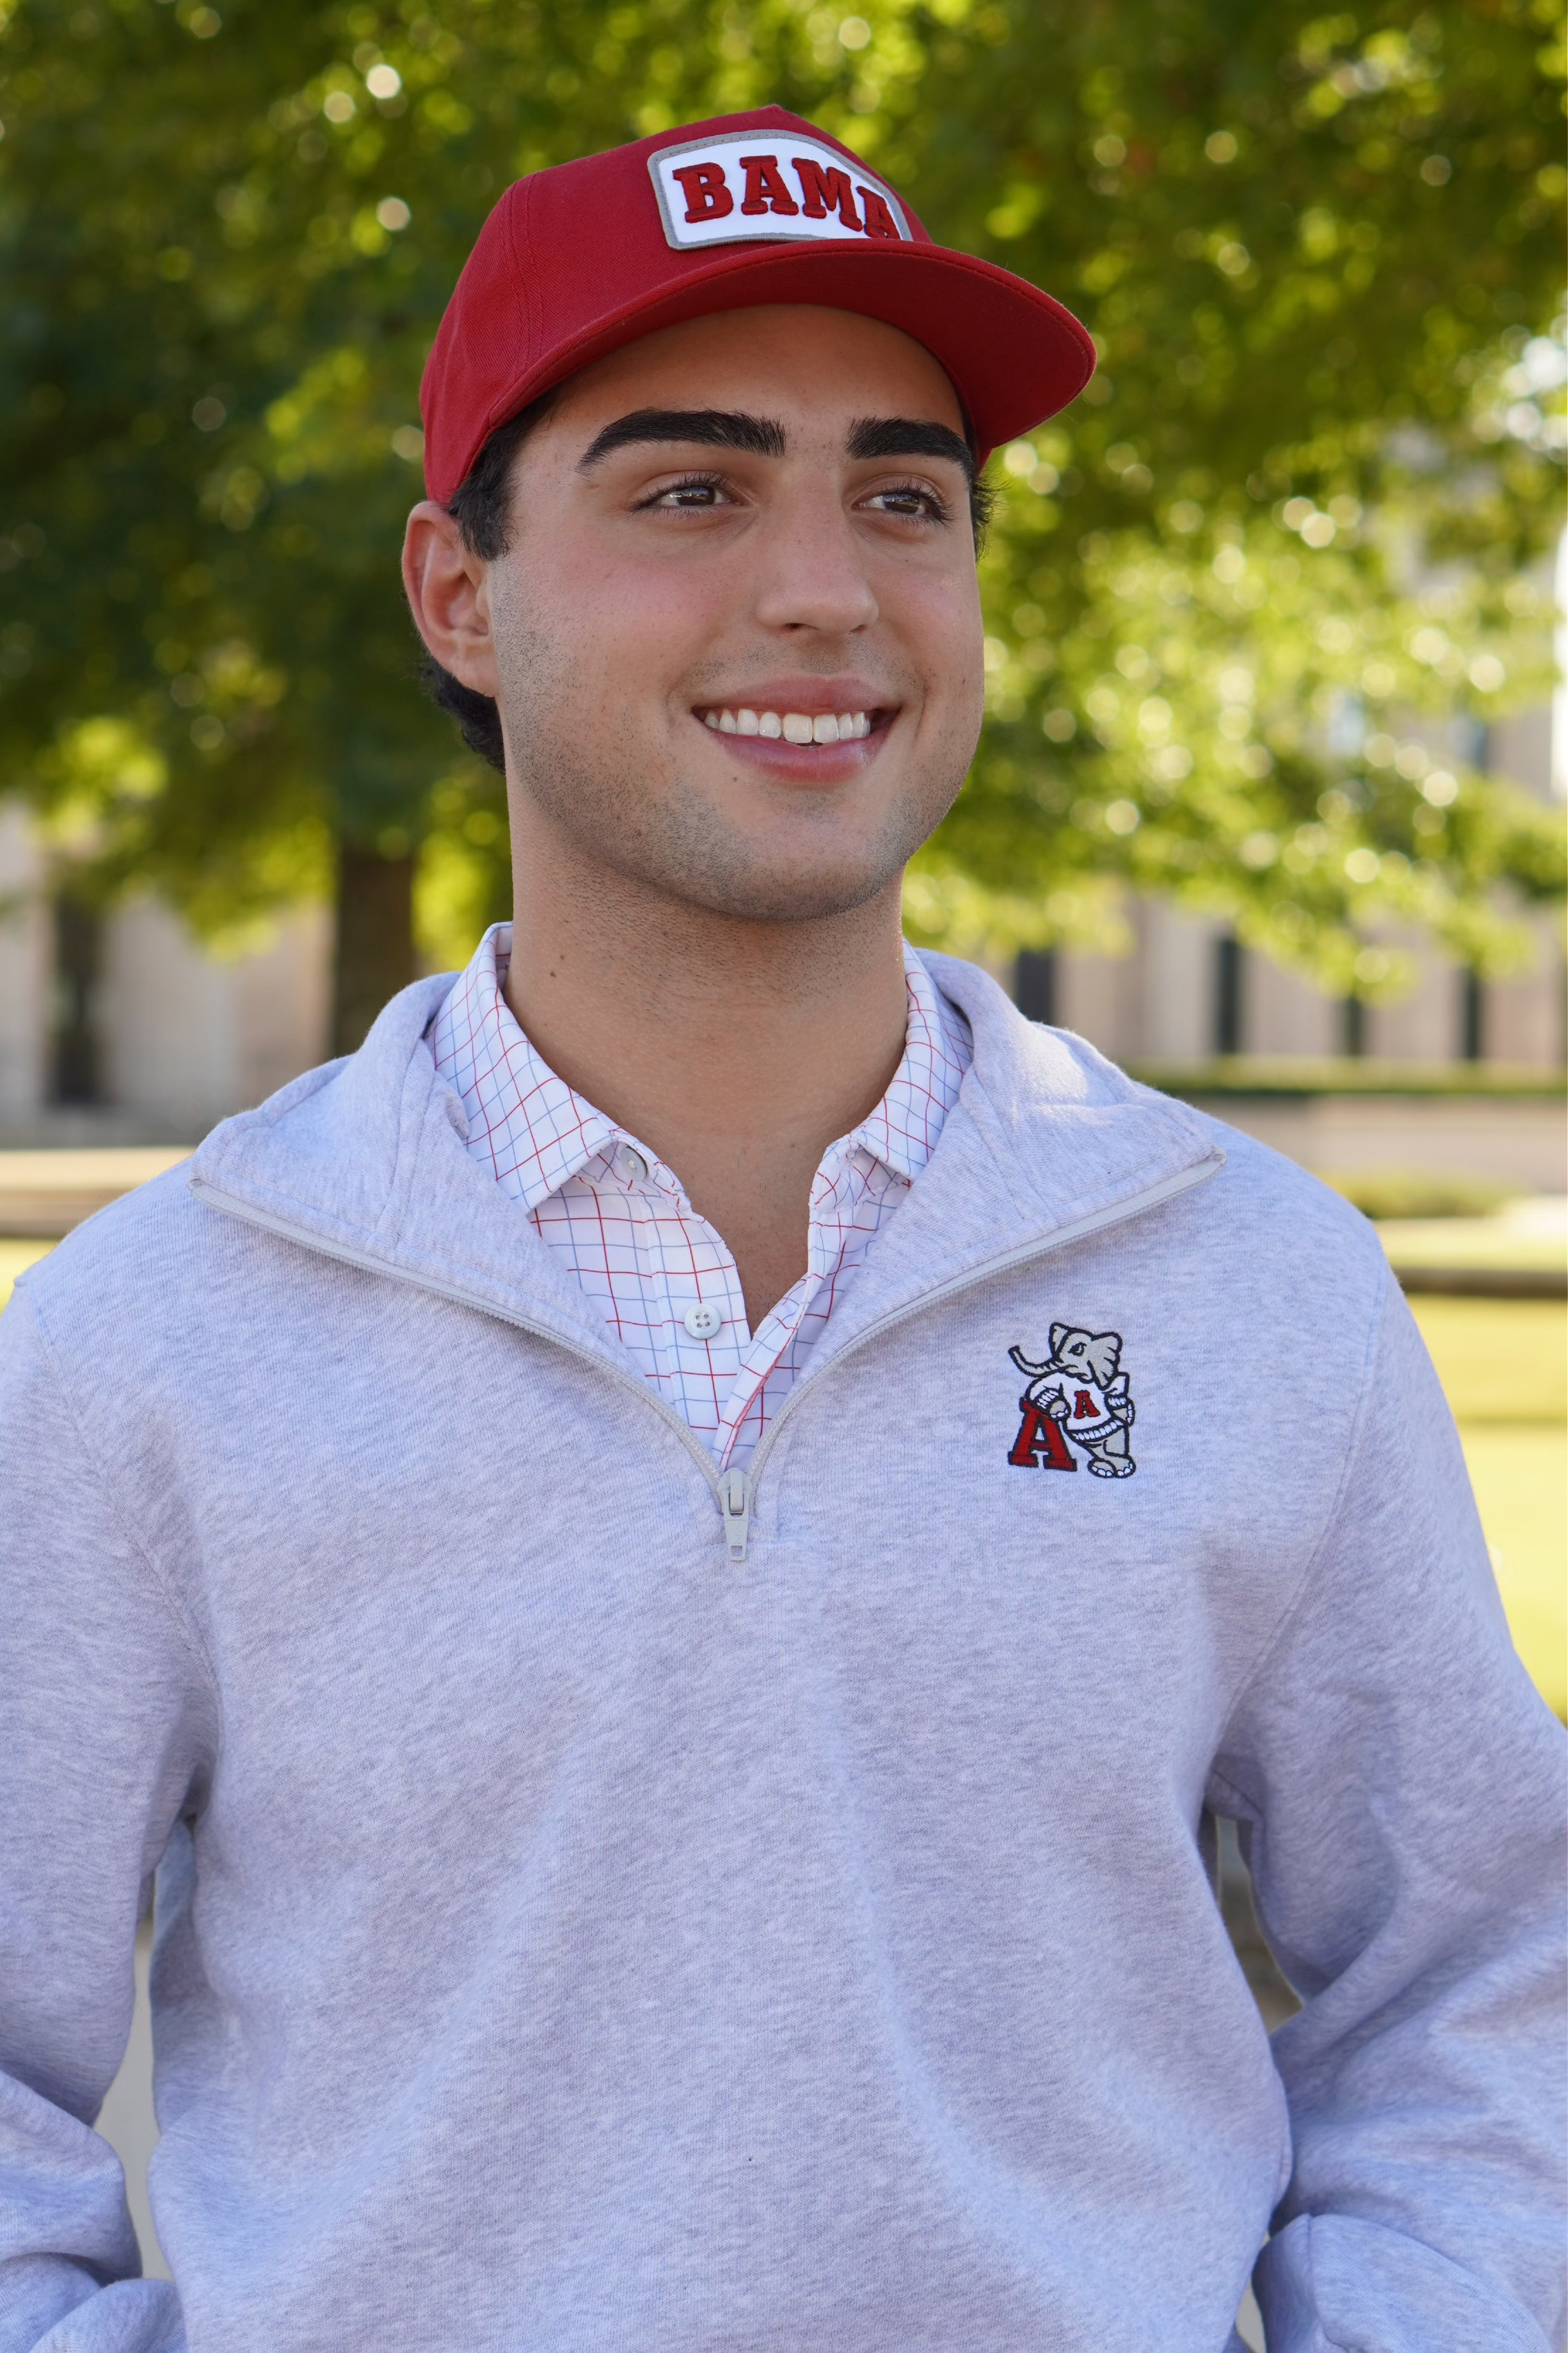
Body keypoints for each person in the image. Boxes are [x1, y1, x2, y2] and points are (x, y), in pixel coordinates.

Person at [0, 106, 1561, 2353]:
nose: (824, 584)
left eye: (902, 495)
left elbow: (1489, 1965)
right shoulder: (162, 1334)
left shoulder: (1246, 1284)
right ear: (458, 589)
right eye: (690, 489)